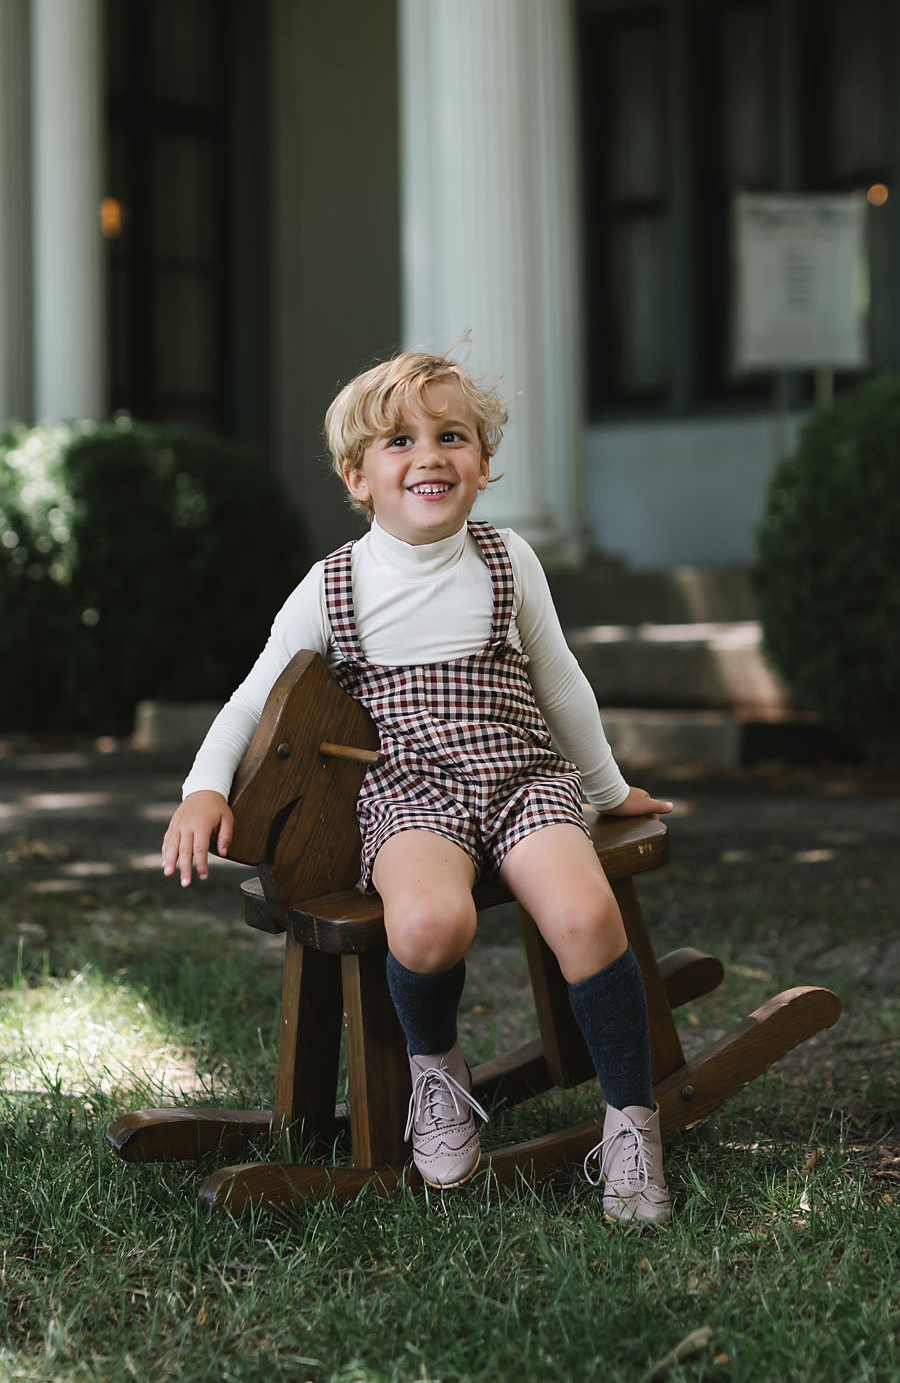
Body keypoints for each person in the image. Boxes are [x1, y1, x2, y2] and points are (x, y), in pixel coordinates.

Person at [160, 350, 675, 1224]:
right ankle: (436, 1072)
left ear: (483, 463)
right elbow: (256, 695)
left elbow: (560, 685)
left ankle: (633, 1121)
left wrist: (609, 787)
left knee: (586, 916)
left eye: (452, 437)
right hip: (410, 794)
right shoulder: (335, 584)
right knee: (432, 925)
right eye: (401, 441)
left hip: (522, 778)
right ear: (358, 476)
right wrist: (205, 787)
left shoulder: (509, 562)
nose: (429, 456)